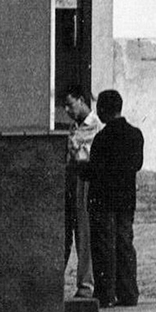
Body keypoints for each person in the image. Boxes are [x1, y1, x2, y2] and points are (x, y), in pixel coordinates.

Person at [85, 88, 143, 307]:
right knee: (125, 244)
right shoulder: (135, 135)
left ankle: (105, 293)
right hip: (126, 199)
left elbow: (94, 170)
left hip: (103, 200)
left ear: (103, 109)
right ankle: (128, 292)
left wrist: (81, 168)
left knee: (104, 247)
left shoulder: (101, 138)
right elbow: (137, 164)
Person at [59, 87, 100, 299]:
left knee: (84, 235)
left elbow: (88, 156)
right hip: (70, 182)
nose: (67, 110)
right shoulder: (74, 127)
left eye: (70, 104)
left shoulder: (95, 126)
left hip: (85, 182)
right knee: (66, 234)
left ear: (81, 100)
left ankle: (86, 284)